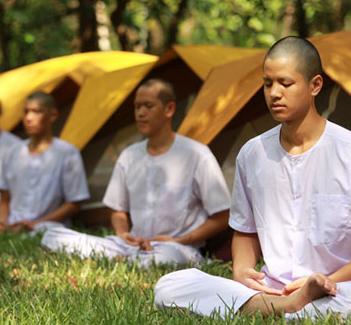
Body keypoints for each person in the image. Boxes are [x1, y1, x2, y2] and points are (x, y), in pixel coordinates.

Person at [154, 37, 351, 321]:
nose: (274, 93)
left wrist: (328, 281)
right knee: (169, 286)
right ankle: (286, 309)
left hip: (342, 289)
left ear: (315, 85)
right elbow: (245, 230)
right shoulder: (252, 153)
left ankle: (263, 311)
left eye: (285, 84)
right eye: (267, 83)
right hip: (272, 288)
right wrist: (241, 270)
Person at [41, 78, 231, 267]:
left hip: (177, 249)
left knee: (162, 259)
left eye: (148, 106)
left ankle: (125, 262)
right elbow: (117, 210)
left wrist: (182, 240)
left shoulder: (196, 154)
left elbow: (223, 216)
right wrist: (123, 233)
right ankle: (128, 259)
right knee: (52, 236)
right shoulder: (129, 156)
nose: (140, 113)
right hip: (132, 246)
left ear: (169, 109)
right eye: (137, 107)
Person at [0, 91, 89, 235]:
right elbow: (4, 200)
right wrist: (2, 224)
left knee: (53, 238)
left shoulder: (67, 152)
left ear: (53, 115)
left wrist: (34, 224)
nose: (29, 118)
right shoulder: (14, 152)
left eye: (37, 112)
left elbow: (74, 203)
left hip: (46, 226)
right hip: (12, 222)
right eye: (26, 112)